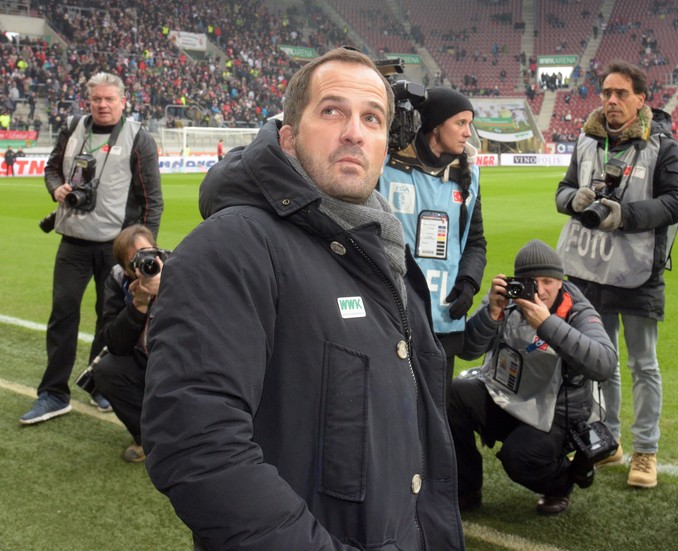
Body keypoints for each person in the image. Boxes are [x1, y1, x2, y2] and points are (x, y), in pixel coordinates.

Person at [141, 47, 464, 550]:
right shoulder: (233, 246)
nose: (354, 131)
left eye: (372, 118)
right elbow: (198, 448)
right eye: (332, 111)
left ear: (385, 146)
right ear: (288, 138)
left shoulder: (382, 248)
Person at [555, 60, 678, 488]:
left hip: (637, 271)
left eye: (621, 94)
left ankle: (646, 452)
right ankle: (608, 441)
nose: (611, 101)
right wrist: (573, 200)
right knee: (602, 363)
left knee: (643, 364)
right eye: (606, 93)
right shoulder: (587, 141)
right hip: (588, 270)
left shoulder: (662, 146)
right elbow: (561, 192)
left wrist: (625, 215)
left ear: (640, 99)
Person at [19, 72, 162, 425]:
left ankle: (100, 385)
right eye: (96, 98)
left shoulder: (137, 138)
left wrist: (142, 254)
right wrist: (55, 188)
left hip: (114, 249)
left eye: (109, 99)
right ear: (88, 100)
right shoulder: (73, 128)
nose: (102, 104)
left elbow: (151, 201)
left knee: (108, 318)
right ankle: (53, 393)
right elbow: (52, 168)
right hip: (72, 242)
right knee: (62, 315)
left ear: (122, 101)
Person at [449, 240, 617, 516]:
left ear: (561, 281)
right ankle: (466, 487)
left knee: (520, 457)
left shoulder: (577, 310)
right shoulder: (508, 300)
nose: (540, 289)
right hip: (506, 394)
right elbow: (468, 351)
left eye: (548, 281)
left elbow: (604, 364)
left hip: (556, 412)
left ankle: (561, 483)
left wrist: (548, 325)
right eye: (530, 281)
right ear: (517, 281)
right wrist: (491, 314)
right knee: (455, 394)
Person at [379, 86, 486, 387]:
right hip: (393, 315)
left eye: (470, 124)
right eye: (460, 123)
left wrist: (469, 282)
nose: (468, 132)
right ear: (436, 126)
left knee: (437, 417)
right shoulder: (386, 169)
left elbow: (475, 242)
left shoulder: (469, 176)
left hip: (444, 320)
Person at [92, 224, 163, 463]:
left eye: (150, 252)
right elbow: (114, 342)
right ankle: (146, 438)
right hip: (144, 357)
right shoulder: (116, 278)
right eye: (137, 260)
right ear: (126, 268)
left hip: (178, 360)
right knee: (106, 371)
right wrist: (139, 304)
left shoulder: (178, 267)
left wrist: (167, 287)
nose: (147, 262)